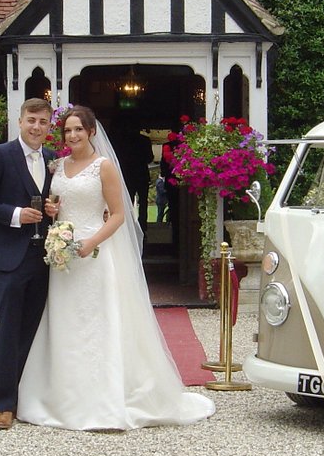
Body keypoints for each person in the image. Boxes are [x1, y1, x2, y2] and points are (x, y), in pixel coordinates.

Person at [17, 106, 215, 431]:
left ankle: (103, 396)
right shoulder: (57, 165)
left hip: (94, 255)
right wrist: (53, 210)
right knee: (64, 321)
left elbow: (120, 215)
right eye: (67, 131)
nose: (73, 136)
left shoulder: (103, 167)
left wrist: (92, 242)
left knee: (97, 322)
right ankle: (62, 394)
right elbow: (57, 206)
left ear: (92, 132)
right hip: (63, 256)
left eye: (79, 129)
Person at [0, 98, 55, 431]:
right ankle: (4, 404)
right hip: (10, 258)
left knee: (33, 330)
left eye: (43, 122)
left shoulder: (51, 160)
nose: (36, 127)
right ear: (20, 122)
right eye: (31, 120)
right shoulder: (0, 155)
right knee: (7, 332)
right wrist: (15, 215)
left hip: (44, 257)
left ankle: (27, 396)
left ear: (49, 127)